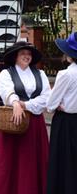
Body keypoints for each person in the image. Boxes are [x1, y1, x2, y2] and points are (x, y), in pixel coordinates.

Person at [0, 41, 51, 194]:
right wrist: (15, 103)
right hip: (12, 123)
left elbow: (47, 97)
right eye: (23, 54)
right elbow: (6, 91)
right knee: (8, 164)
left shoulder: (40, 74)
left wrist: (25, 105)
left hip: (34, 124)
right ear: (15, 57)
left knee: (31, 163)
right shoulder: (7, 74)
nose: (26, 56)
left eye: (29, 54)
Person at [46, 32, 77, 194]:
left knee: (63, 164)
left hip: (65, 123)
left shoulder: (65, 74)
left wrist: (57, 104)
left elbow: (50, 105)